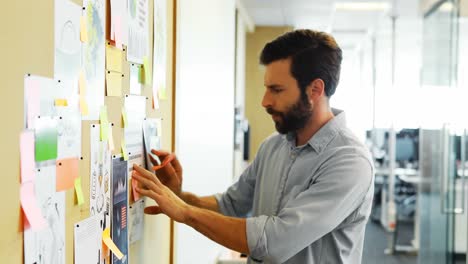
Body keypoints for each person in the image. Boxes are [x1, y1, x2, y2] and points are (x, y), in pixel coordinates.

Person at [132, 29, 374, 264]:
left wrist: (184, 212)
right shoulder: (273, 146)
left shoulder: (349, 162)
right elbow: (230, 204)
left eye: (277, 90)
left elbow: (274, 242)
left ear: (315, 90)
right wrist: (180, 196)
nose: (265, 101)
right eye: (267, 88)